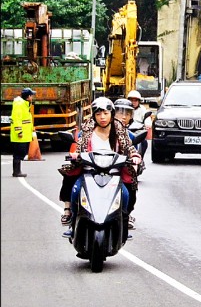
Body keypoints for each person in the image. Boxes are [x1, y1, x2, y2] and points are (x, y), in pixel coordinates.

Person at [59, 97, 141, 238]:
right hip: (89, 172)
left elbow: (130, 148)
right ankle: (73, 223)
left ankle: (124, 224)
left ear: (112, 114)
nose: (102, 117)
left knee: (126, 195)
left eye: (105, 113)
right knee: (76, 191)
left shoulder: (120, 130)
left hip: (114, 174)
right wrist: (74, 155)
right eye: (98, 114)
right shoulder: (87, 130)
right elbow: (79, 149)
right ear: (94, 115)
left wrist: (135, 157)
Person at [114, 98, 144, 230]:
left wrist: (136, 161)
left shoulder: (129, 135)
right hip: (99, 168)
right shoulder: (97, 130)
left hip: (121, 170)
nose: (123, 116)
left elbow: (134, 153)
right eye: (120, 112)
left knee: (129, 190)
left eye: (127, 113)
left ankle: (126, 215)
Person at [10, 87, 36, 177]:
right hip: (20, 135)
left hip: (24, 134)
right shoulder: (19, 104)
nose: (32, 97)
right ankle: (16, 172)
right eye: (31, 95)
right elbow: (17, 118)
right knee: (18, 153)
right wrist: (19, 131)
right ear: (28, 96)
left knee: (21, 152)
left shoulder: (25, 104)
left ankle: (17, 171)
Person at [127, 90, 149, 158]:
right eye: (131, 100)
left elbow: (147, 118)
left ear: (139, 101)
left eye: (135, 100)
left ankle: (140, 158)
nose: (133, 102)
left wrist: (147, 124)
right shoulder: (125, 109)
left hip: (139, 131)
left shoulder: (142, 109)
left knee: (144, 142)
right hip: (127, 130)